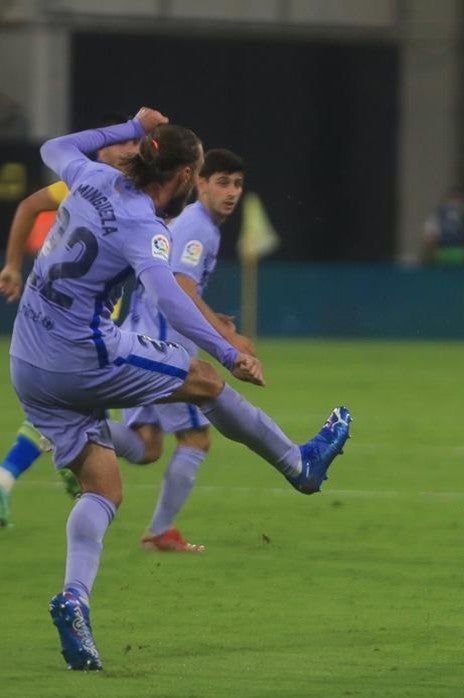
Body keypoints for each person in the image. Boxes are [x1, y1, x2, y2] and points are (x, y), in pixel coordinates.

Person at [12, 108, 352, 671]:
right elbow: (171, 298)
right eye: (195, 176)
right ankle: (299, 465)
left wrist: (126, 124)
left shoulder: (90, 177)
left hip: (27, 359)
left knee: (104, 488)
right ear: (178, 177)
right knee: (205, 381)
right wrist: (228, 349)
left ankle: (74, 599)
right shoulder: (142, 222)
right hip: (82, 356)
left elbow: (54, 146)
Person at [107, 148, 254, 553]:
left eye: (237, 184)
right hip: (163, 344)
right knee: (196, 440)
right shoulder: (199, 226)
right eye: (222, 182)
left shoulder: (195, 224)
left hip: (141, 332)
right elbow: (182, 285)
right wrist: (227, 342)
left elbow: (182, 287)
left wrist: (214, 320)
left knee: (147, 446)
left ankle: (79, 431)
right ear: (200, 183)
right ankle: (158, 532)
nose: (231, 192)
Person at [0, 113, 140, 526]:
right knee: (73, 405)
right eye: (124, 143)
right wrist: (11, 265)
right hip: (73, 325)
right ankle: (14, 476)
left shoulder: (131, 192)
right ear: (102, 151)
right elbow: (29, 205)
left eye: (136, 144)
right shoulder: (88, 181)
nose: (131, 150)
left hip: (95, 322)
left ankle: (68, 463)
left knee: (83, 409)